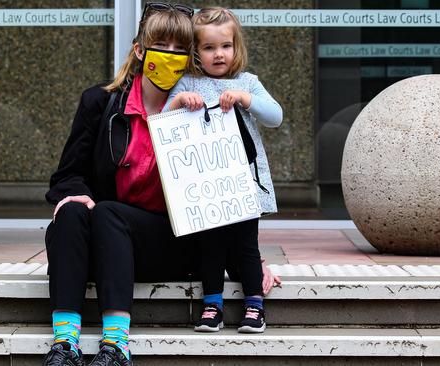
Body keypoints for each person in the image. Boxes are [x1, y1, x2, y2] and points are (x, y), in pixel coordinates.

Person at [43, 3, 278, 365]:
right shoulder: (100, 103)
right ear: (140, 50)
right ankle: (64, 344)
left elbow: (218, 189)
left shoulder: (201, 108)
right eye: (161, 47)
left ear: (190, 57)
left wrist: (249, 258)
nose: (170, 57)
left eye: (179, 50)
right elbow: (66, 176)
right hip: (105, 244)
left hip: (169, 244)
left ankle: (116, 344)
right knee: (75, 212)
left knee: (108, 213)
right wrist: (77, 196)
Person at [164, 7, 283, 334]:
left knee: (247, 245)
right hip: (205, 185)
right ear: (196, 52)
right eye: (209, 47)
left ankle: (255, 305)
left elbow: (276, 116)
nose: (219, 54)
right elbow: (160, 121)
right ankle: (212, 305)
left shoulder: (248, 82)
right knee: (211, 244)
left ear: (236, 47)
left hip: (242, 182)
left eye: (226, 46)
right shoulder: (188, 83)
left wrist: (246, 98)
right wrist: (178, 102)